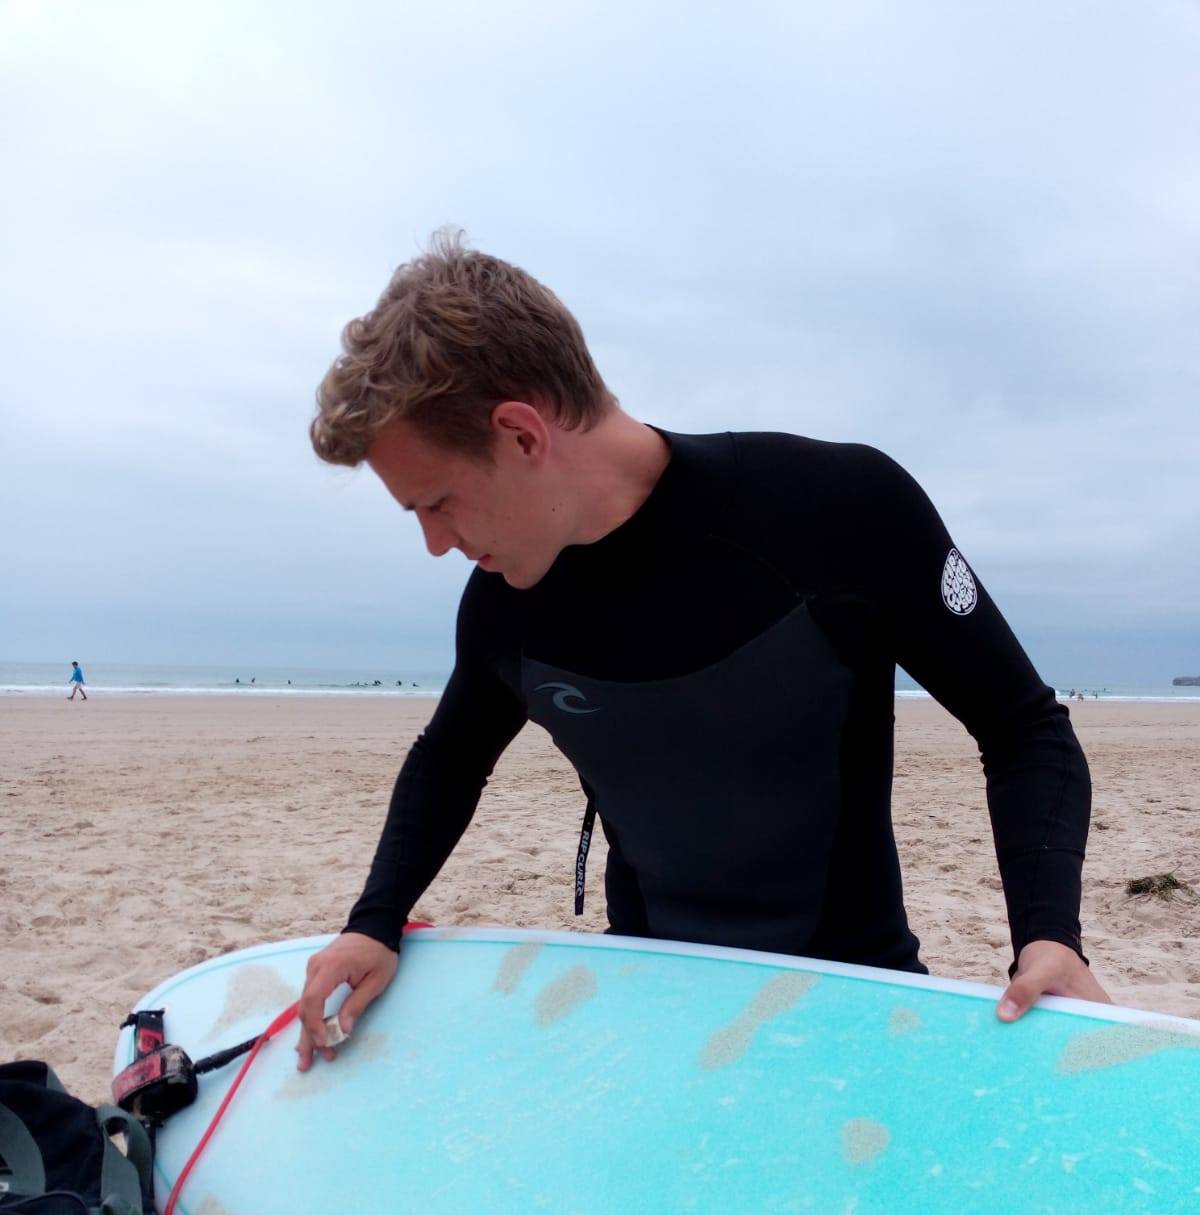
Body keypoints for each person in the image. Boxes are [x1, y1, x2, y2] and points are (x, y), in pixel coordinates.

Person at [296, 233, 1109, 1070]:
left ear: (521, 434)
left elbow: (1023, 729)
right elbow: (449, 761)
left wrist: (1047, 936)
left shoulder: (840, 512)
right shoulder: (505, 606)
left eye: (436, 503)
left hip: (853, 1009)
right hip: (650, 1009)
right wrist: (375, 921)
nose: (435, 543)